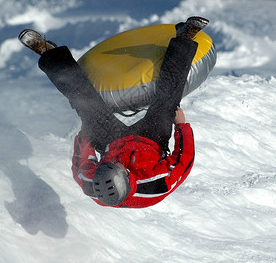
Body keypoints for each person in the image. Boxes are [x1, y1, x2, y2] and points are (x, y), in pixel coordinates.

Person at [18, 16, 209, 208]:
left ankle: (49, 54)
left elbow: (80, 165)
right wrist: (181, 126)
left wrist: (86, 134)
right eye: (116, 166)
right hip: (151, 141)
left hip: (112, 142)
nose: (117, 163)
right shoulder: (157, 185)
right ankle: (185, 38)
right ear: (127, 175)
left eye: (105, 165)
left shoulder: (92, 184)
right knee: (168, 100)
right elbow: (183, 161)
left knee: (86, 106)